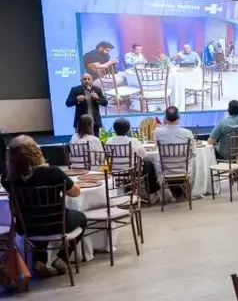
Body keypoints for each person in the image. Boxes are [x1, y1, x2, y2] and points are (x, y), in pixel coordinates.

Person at [2, 136, 87, 277]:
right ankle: (62, 258)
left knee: (38, 218)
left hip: (27, 227)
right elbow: (75, 193)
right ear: (36, 151)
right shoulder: (53, 172)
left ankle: (39, 259)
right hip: (57, 224)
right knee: (82, 218)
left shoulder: (8, 178)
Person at [106, 118, 161, 198]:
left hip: (115, 172)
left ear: (115, 129)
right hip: (132, 172)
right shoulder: (133, 141)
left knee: (144, 165)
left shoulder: (109, 141)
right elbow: (144, 155)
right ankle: (152, 194)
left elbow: (107, 156)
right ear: (128, 129)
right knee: (149, 165)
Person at [154, 106, 196, 180]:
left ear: (165, 118)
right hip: (184, 170)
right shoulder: (188, 133)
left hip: (165, 171)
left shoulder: (157, 132)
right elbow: (194, 153)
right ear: (179, 118)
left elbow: (156, 147)